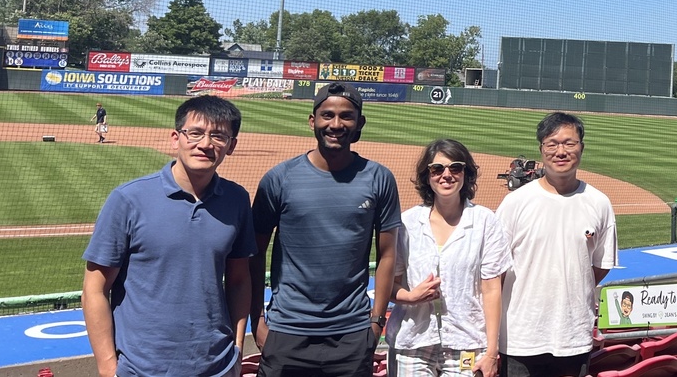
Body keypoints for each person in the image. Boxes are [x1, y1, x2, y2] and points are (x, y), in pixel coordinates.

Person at [82, 95, 254, 377]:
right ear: (176, 138)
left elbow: (239, 279)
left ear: (231, 146)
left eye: (218, 136)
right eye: (195, 133)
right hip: (142, 368)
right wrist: (108, 368)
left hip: (218, 366)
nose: (205, 144)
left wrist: (236, 350)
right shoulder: (128, 199)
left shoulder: (236, 200)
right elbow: (94, 288)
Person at [250, 82, 402, 377]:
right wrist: (258, 321)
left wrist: (375, 323)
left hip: (352, 334)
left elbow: (387, 255)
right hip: (286, 332)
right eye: (327, 115)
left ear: (360, 123)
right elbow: (254, 253)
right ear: (312, 121)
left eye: (346, 116)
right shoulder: (279, 179)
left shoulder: (379, 178)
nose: (336, 124)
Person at [497, 112, 617, 377]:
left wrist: (571, 287)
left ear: (581, 148)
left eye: (569, 143)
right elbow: (496, 272)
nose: (561, 151)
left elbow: (599, 266)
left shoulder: (599, 203)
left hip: (572, 338)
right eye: (552, 144)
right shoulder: (515, 203)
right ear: (542, 149)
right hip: (520, 338)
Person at [388, 139, 512, 377]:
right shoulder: (408, 223)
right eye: (437, 169)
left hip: (467, 342)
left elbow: (492, 289)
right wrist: (411, 296)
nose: (446, 175)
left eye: (455, 167)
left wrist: (491, 352)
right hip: (413, 342)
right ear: (427, 175)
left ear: (466, 173)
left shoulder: (485, 221)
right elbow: (389, 285)